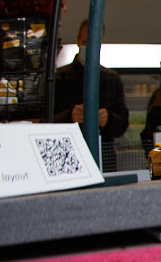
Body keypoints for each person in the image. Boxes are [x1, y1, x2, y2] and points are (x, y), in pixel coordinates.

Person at [53, 19, 129, 160]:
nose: (88, 48)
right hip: (67, 156)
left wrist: (108, 119)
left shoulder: (112, 79)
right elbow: (45, 123)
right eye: (85, 42)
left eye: (94, 43)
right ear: (78, 40)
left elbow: (123, 123)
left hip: (104, 159)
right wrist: (69, 117)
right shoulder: (59, 78)